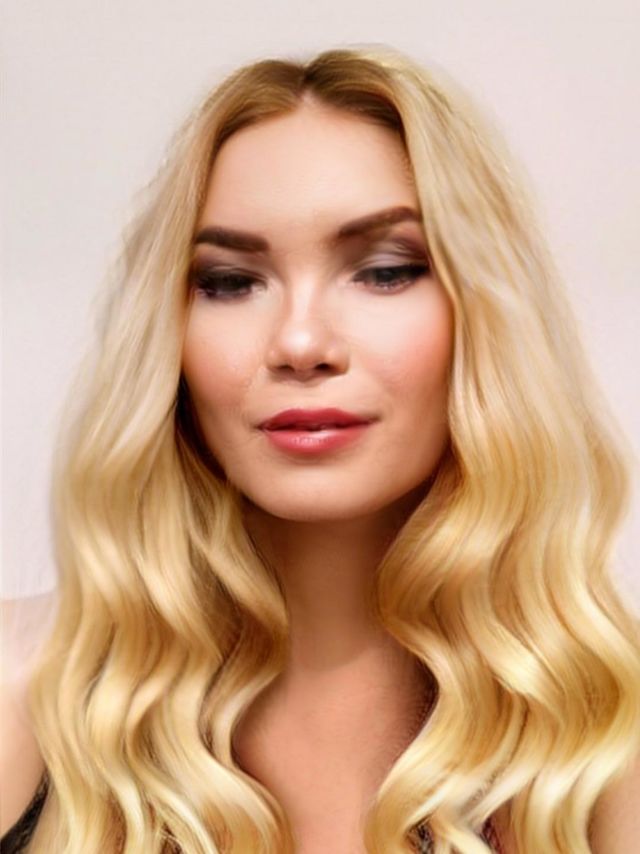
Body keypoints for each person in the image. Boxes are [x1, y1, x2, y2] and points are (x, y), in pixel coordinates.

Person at [1, 43, 639, 854]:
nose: (300, 342)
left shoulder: (604, 728)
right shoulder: (21, 687)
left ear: (484, 317)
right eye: (230, 282)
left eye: (385, 270)